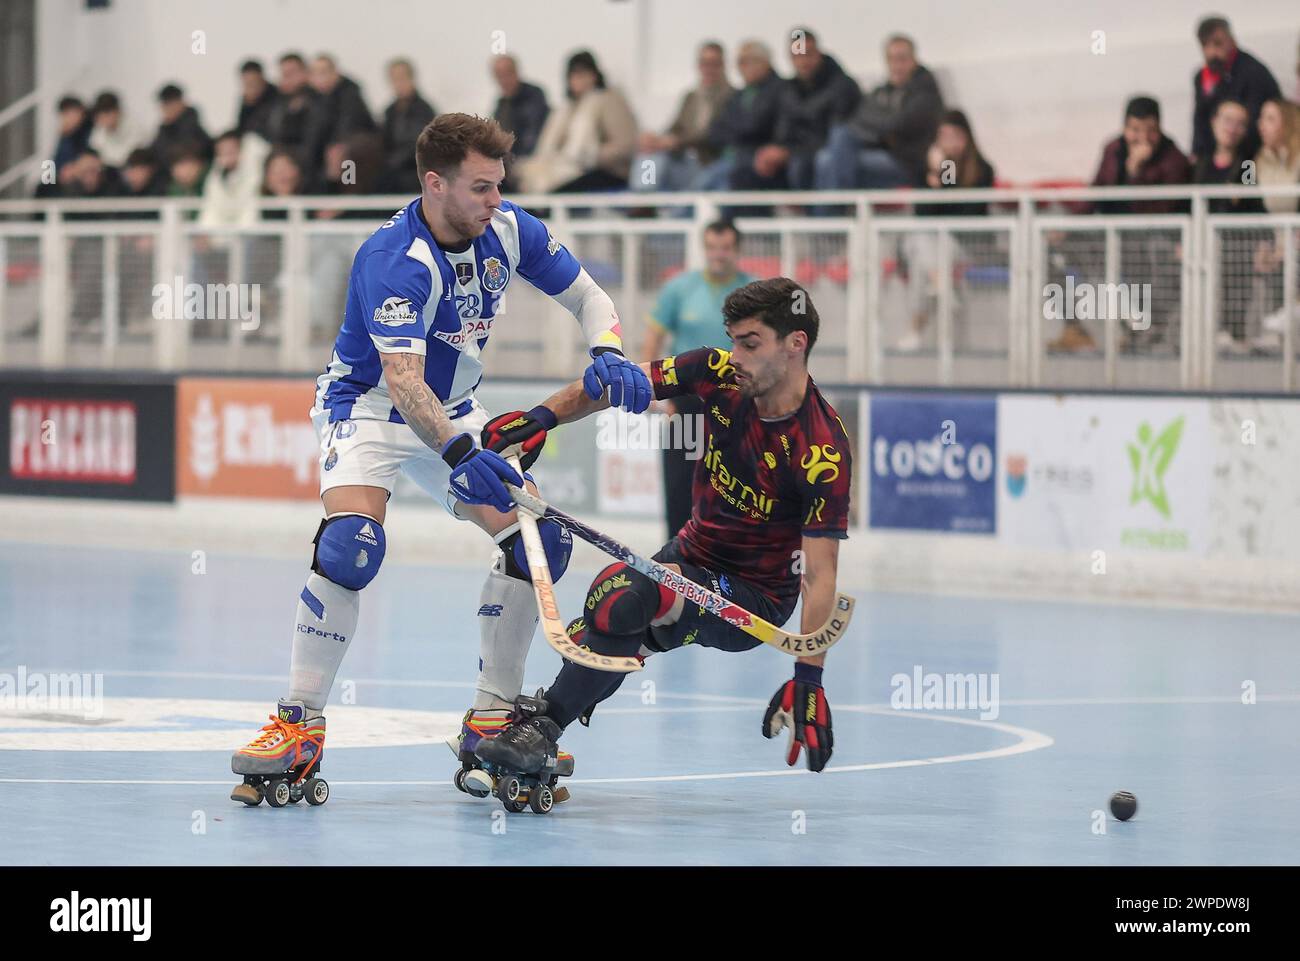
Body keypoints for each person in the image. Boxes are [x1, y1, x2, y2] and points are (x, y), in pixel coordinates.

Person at [228, 114, 652, 805]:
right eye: (481, 187)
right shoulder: (395, 259)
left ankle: (492, 713)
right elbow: (401, 381)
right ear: (435, 183)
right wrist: (460, 454)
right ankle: (297, 722)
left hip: (454, 408)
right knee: (351, 547)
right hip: (367, 408)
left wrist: (607, 349)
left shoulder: (508, 229)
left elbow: (587, 295)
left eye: (499, 185)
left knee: (538, 541)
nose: (495, 200)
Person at [474, 277, 851, 785]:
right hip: (692, 552)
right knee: (612, 612)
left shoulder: (821, 451)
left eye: (750, 343)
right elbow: (616, 383)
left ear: (795, 344)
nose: (734, 354)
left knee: (624, 599)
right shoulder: (716, 371)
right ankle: (542, 728)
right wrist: (543, 418)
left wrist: (809, 676)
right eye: (733, 339)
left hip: (752, 601)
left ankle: (540, 729)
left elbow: (819, 575)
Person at [640, 219, 754, 538]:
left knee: (733, 488)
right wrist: (654, 397)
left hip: (737, 402)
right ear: (704, 249)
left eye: (726, 248)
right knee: (680, 486)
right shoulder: (680, 288)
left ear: (737, 250)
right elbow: (653, 341)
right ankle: (676, 564)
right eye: (713, 247)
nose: (719, 255)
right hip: (686, 403)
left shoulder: (754, 292)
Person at [1073, 96, 1192, 354]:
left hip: (1155, 238)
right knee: (1073, 250)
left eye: (1149, 130)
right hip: (1114, 236)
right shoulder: (1113, 150)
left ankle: (1146, 326)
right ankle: (1094, 328)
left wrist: (1135, 172)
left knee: (1150, 251)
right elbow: (1097, 191)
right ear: (1125, 128)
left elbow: (1159, 211)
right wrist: (1068, 228)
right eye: (1134, 130)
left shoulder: (1173, 159)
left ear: (1158, 129)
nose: (1141, 138)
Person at [897, 109, 994, 352]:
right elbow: (923, 214)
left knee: (923, 257)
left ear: (966, 138)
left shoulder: (981, 169)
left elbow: (960, 215)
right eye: (943, 136)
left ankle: (916, 328)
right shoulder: (926, 168)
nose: (949, 142)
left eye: (955, 136)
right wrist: (934, 176)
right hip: (930, 241)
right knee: (921, 241)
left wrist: (942, 179)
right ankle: (941, 284)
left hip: (964, 244)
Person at [734, 27, 860, 191]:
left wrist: (787, 152)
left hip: (820, 156)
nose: (803, 62)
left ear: (818, 53)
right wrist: (773, 151)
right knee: (745, 167)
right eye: (797, 56)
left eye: (808, 54)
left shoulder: (842, 87)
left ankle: (822, 215)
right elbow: (783, 132)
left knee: (813, 163)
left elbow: (835, 138)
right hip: (794, 155)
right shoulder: (788, 90)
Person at [816, 34, 943, 190]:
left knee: (830, 159)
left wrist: (880, 123)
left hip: (907, 161)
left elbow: (897, 124)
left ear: (914, 59)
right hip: (878, 150)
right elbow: (860, 118)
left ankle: (836, 208)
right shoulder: (882, 91)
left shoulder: (925, 91)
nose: (897, 65)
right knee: (829, 152)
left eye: (902, 58)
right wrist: (883, 125)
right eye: (891, 59)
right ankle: (838, 205)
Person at [1194, 99, 1267, 353]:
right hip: (1201, 242)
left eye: (1240, 124)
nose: (1232, 128)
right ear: (1214, 122)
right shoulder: (1200, 162)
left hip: (1234, 243)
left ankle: (1233, 331)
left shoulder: (1246, 164)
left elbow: (1250, 199)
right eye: (1228, 121)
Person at [514, 50, 637, 194]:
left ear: (594, 75)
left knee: (559, 192)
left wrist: (592, 156)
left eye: (583, 74)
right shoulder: (566, 109)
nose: (578, 79)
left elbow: (626, 145)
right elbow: (553, 148)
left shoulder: (610, 100)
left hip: (605, 172)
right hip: (568, 170)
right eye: (574, 75)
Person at [629, 41, 734, 193]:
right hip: (685, 162)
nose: (709, 69)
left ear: (723, 65)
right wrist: (656, 140)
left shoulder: (732, 96)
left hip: (709, 164)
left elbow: (713, 134)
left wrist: (677, 141)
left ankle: (645, 197)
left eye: (714, 63)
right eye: (704, 63)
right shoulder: (691, 97)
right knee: (650, 153)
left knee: (659, 151)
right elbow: (675, 127)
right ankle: (643, 197)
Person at [1190, 16, 1280, 163]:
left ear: (1232, 41)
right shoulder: (1202, 77)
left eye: (1218, 44)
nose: (1212, 51)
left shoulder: (1253, 73)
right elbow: (1200, 119)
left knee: (1247, 181)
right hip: (1216, 158)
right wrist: (1197, 154)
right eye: (1205, 45)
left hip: (1251, 157)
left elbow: (1254, 125)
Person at [701, 40, 785, 192]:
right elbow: (715, 132)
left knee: (711, 184)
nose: (742, 68)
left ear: (764, 62)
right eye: (739, 63)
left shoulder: (780, 90)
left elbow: (756, 126)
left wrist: (738, 131)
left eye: (746, 61)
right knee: (704, 183)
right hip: (730, 159)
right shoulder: (738, 96)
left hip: (754, 160)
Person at [378, 58, 437, 194]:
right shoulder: (390, 111)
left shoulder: (424, 110)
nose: (398, 84)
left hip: (414, 170)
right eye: (394, 79)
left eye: (402, 78)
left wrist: (392, 163)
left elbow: (419, 144)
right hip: (392, 169)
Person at [490, 54, 549, 160]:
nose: (504, 80)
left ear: (516, 72)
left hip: (530, 159)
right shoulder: (501, 104)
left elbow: (533, 134)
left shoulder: (533, 95)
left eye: (507, 73)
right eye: (499, 75)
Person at [150, 83, 212, 165]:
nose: (164, 109)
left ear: (180, 102)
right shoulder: (165, 129)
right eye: (163, 105)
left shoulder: (191, 129)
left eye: (167, 104)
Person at [87, 91, 143, 169]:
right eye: (100, 114)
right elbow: (94, 153)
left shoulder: (135, 127)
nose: (104, 118)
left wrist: (104, 161)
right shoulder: (99, 130)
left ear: (118, 111)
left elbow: (126, 158)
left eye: (107, 112)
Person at [236, 60, 280, 142]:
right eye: (247, 83)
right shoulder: (246, 100)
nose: (251, 87)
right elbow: (241, 129)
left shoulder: (277, 96)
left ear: (262, 78)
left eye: (253, 82)